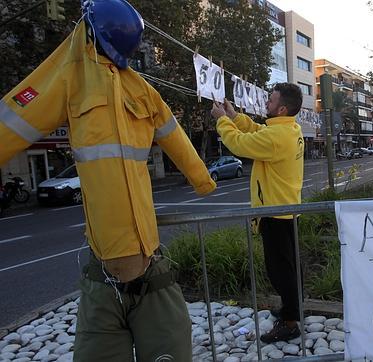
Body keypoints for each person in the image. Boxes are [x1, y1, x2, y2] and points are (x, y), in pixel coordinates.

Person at [0, 1, 216, 360]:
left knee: (172, 348)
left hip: (149, 261)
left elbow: (175, 136)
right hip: (105, 269)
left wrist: (201, 179)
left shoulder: (142, 90)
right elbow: (16, 118)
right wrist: (201, 180)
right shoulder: (69, 77)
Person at [211, 83, 304, 343]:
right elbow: (257, 131)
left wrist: (222, 122)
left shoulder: (276, 137)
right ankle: (291, 309)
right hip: (287, 209)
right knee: (288, 267)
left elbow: (239, 143)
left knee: (280, 272)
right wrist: (234, 116)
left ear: (282, 108)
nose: (266, 103)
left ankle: (289, 323)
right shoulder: (288, 128)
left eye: (271, 100)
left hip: (275, 212)